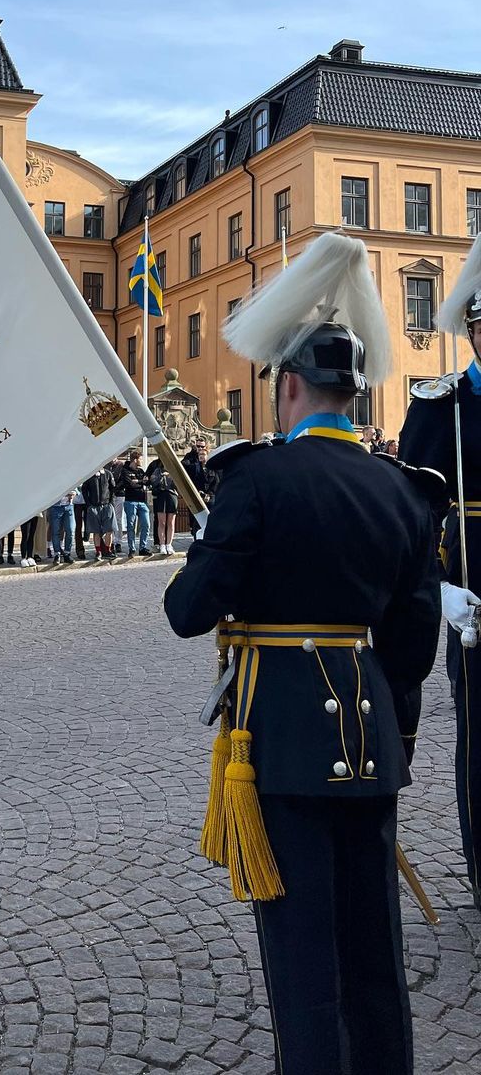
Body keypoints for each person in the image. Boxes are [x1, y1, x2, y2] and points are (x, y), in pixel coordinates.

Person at [165, 232, 442, 1075]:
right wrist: (395, 736)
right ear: (353, 392)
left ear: (287, 386)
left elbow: (187, 613)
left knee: (302, 960)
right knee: (372, 948)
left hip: (279, 745)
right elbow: (414, 641)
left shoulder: (254, 478)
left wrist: (211, 546)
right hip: (372, 747)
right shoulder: (405, 489)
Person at [399, 230, 481, 911]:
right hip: (475, 584)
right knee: (479, 730)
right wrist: (438, 584)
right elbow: (411, 510)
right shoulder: (441, 404)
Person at [119, 451, 153, 557]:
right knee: (131, 526)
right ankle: (132, 549)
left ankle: (142, 547)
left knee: (146, 524)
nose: (142, 461)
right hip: (131, 501)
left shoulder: (141, 471)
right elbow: (129, 484)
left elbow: (147, 482)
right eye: (140, 459)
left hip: (142, 501)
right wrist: (141, 482)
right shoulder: (125, 471)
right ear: (135, 459)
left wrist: (137, 481)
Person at [81, 468, 117, 560]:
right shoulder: (89, 474)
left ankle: (108, 550)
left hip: (107, 505)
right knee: (96, 531)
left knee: (110, 530)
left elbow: (113, 489)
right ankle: (98, 552)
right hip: (94, 507)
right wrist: (89, 505)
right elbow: (84, 490)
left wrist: (111, 503)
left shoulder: (108, 474)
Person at [148, 458, 179, 554]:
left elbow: (179, 483)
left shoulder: (175, 471)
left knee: (171, 522)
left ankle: (169, 544)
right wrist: (161, 477)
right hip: (161, 496)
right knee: (162, 522)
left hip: (172, 496)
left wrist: (170, 476)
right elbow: (152, 481)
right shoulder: (158, 471)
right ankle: (162, 544)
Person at [46, 491, 76, 565]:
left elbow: (77, 487)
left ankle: (67, 553)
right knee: (55, 531)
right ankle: (57, 554)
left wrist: (74, 493)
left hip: (69, 506)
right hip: (55, 507)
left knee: (71, 530)